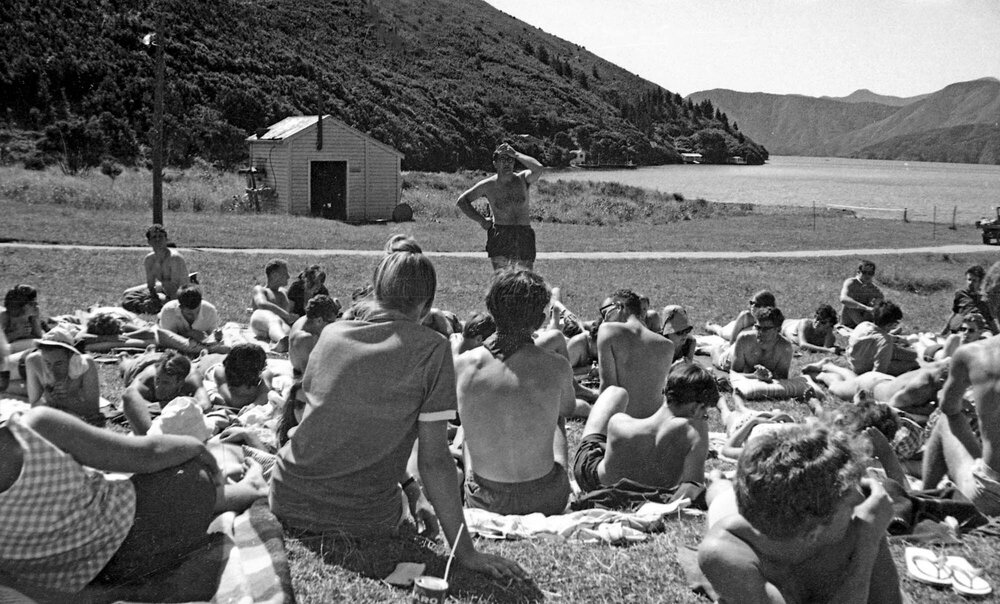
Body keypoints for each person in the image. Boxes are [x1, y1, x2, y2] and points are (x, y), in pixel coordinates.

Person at [269, 236, 526, 579]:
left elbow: (328, 422)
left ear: (376, 290)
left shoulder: (330, 335)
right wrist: (465, 551)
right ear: (426, 305)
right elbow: (434, 460)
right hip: (362, 517)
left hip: (286, 495)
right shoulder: (433, 351)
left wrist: (411, 489)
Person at [0, 406, 266, 598]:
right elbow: (149, 453)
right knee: (189, 473)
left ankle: (235, 492)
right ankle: (248, 488)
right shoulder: (36, 426)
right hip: (136, 540)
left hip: (84, 581)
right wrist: (196, 447)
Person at [698, 423, 902, 604]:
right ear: (813, 532)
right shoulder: (726, 551)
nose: (861, 499)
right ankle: (718, 481)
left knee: (724, 490)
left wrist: (875, 536)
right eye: (849, 497)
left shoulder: (853, 520)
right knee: (719, 494)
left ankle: (720, 481)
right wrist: (867, 544)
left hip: (768, 507)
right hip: (734, 510)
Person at [455, 269, 575, 516]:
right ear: (540, 320)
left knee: (469, 424)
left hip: (485, 500)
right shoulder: (555, 364)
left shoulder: (462, 365)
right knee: (557, 417)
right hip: (547, 499)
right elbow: (568, 409)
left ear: (492, 311)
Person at [921, 261, 1000, 515]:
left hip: (993, 495)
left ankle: (923, 496)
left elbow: (948, 406)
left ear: (991, 302)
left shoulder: (973, 354)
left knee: (946, 418)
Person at [573, 362, 716, 498]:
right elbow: (694, 486)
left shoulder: (619, 422)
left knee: (615, 393)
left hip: (595, 483)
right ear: (697, 407)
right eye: (705, 412)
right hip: (648, 493)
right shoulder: (695, 430)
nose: (704, 417)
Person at [456, 142, 546, 271]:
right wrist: (481, 220)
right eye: (502, 159)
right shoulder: (488, 185)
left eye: (510, 159)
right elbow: (462, 201)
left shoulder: (523, 179)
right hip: (500, 234)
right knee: (502, 280)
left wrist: (516, 153)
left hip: (524, 233)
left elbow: (539, 168)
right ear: (495, 164)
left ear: (514, 162)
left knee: (525, 278)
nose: (507, 163)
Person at [597, 289, 674, 419]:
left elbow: (608, 389)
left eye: (606, 312)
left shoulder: (608, 331)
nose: (605, 319)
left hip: (622, 424)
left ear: (619, 306)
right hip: (655, 425)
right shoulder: (667, 345)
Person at [24, 327, 103, 425]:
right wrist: (47, 400)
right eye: (47, 363)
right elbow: (34, 407)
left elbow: (94, 410)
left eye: (58, 364)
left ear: (70, 356)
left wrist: (66, 400)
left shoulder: (85, 365)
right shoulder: (33, 362)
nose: (52, 370)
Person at [121, 350, 212, 435]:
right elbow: (125, 404)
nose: (158, 387)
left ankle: (150, 351)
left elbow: (205, 405)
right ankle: (124, 356)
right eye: (157, 380)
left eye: (166, 383)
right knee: (126, 366)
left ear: (180, 382)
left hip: (164, 360)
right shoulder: (146, 380)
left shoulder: (192, 378)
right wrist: (173, 406)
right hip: (139, 366)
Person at [121, 224, 191, 314]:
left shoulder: (175, 258)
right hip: (162, 287)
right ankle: (144, 306)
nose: (157, 239)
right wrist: (153, 297)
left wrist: (165, 302)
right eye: (154, 237)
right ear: (149, 242)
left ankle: (144, 307)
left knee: (155, 300)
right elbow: (151, 285)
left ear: (166, 239)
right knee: (127, 293)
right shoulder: (149, 259)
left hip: (179, 293)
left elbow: (178, 288)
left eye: (160, 236)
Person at [713, 307, 793, 383]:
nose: (760, 332)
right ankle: (713, 347)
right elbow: (734, 375)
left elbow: (782, 379)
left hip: (745, 364)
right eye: (758, 327)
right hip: (730, 358)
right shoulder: (744, 339)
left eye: (765, 329)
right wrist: (756, 376)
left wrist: (767, 376)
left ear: (778, 329)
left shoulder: (785, 347)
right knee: (718, 358)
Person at [847, 300, 919, 377]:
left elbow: (875, 336)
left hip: (856, 361)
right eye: (896, 324)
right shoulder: (884, 341)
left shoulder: (864, 325)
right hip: (865, 369)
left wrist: (900, 339)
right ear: (890, 324)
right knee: (917, 362)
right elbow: (879, 370)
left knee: (907, 354)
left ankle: (921, 356)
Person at [157, 284, 228, 354]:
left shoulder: (210, 310)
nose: (194, 316)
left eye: (197, 312)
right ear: (180, 307)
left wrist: (217, 337)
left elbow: (213, 338)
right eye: (189, 314)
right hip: (178, 343)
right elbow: (166, 339)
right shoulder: (168, 310)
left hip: (201, 344)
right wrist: (190, 334)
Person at [203, 343, 274, 409]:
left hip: (237, 371)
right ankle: (206, 352)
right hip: (214, 367)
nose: (266, 364)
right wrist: (254, 400)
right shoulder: (221, 371)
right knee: (207, 359)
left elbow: (265, 395)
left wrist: (253, 406)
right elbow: (231, 400)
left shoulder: (265, 373)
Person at [250, 259, 297, 352]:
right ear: (274, 275)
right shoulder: (261, 290)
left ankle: (283, 343)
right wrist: (286, 315)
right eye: (285, 273)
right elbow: (262, 304)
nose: (288, 276)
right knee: (274, 319)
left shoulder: (284, 293)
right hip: (261, 323)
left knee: (289, 332)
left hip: (281, 325)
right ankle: (281, 339)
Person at [289, 295, 340, 378]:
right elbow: (308, 377)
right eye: (331, 323)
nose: (332, 326)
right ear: (319, 320)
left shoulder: (308, 319)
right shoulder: (305, 338)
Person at [706, 290, 776, 342]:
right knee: (722, 333)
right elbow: (732, 341)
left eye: (757, 305)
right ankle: (711, 326)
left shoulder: (773, 321)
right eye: (751, 303)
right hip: (735, 328)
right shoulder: (745, 316)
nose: (752, 307)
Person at [943, 265, 996, 334]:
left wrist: (997, 335)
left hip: (980, 330)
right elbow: (954, 313)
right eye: (969, 279)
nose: (971, 283)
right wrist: (943, 332)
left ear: (980, 282)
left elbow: (990, 320)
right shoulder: (960, 294)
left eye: (974, 280)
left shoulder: (985, 298)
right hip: (963, 328)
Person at [1, 284, 43, 355]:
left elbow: (39, 336)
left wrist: (35, 319)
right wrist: (17, 334)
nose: (36, 305)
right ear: (20, 306)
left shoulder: (32, 316)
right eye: (32, 303)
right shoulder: (4, 316)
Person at [840, 260, 883, 329]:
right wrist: (865, 307)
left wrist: (875, 304)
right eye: (864, 272)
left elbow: (881, 298)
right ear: (858, 272)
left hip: (864, 318)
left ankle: (879, 327)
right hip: (849, 321)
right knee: (850, 306)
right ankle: (870, 329)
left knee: (876, 306)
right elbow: (843, 299)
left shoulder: (872, 287)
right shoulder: (851, 282)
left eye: (870, 273)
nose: (867, 275)